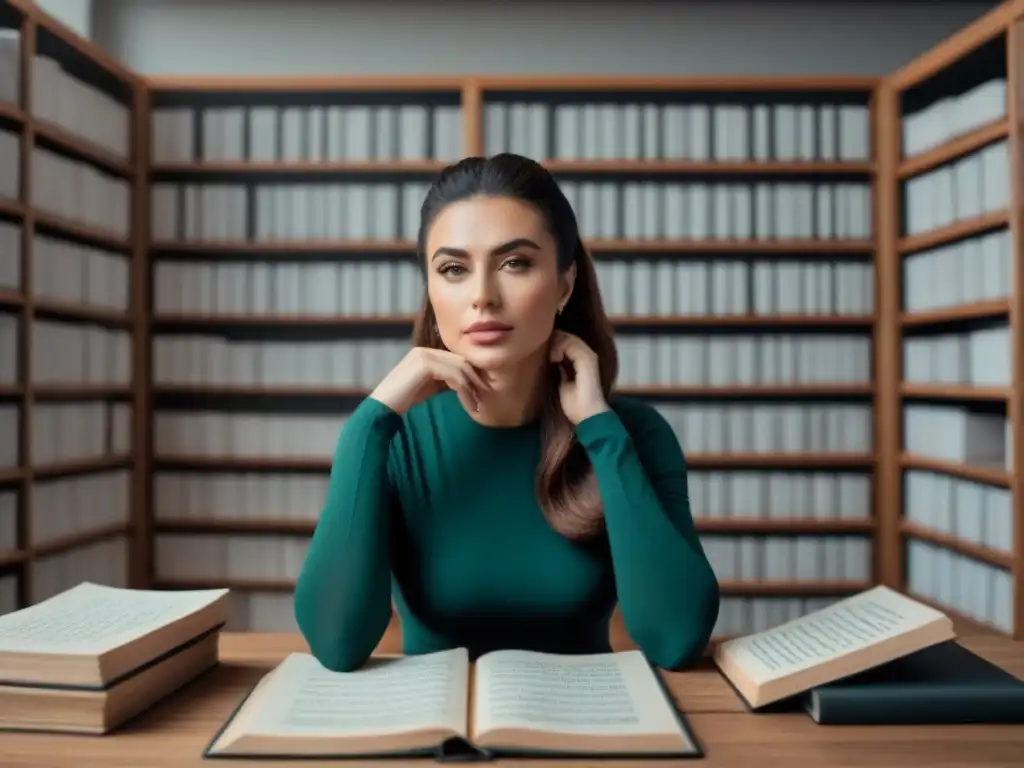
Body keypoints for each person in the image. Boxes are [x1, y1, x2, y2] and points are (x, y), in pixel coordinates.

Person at [293, 153, 720, 673]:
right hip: (435, 740)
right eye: (453, 269)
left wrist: (600, 432)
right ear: (430, 290)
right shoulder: (396, 440)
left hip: (582, 736)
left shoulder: (633, 434)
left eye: (514, 263)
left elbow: (675, 638)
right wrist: (370, 422)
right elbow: (336, 644)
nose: (482, 297)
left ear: (564, 284)